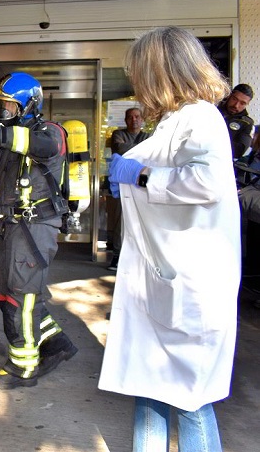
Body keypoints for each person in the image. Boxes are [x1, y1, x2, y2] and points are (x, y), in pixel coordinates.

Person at [98, 26, 240, 452]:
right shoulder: (176, 120)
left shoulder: (201, 117)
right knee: (149, 387)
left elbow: (207, 182)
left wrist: (138, 174)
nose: (137, 83)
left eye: (140, 73)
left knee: (190, 400)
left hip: (189, 287)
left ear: (160, 71)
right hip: (162, 280)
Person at [0, 72, 78, 390]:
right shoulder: (7, 139)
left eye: (7, 105)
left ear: (28, 105)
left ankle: (23, 367)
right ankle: (56, 343)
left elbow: (37, 144)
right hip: (15, 226)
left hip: (36, 226)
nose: (1, 111)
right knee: (10, 296)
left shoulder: (50, 132)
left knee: (20, 299)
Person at [106, 107, 150, 271]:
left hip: (141, 184)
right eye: (130, 117)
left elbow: (150, 155)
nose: (134, 120)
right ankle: (117, 256)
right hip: (121, 184)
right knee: (120, 221)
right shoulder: (118, 134)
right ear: (125, 120)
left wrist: (132, 151)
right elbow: (121, 150)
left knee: (141, 221)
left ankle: (138, 258)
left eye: (137, 117)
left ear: (142, 119)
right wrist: (140, 151)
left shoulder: (147, 136)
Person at [217, 83, 254, 159]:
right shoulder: (212, 110)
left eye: (242, 103)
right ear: (229, 96)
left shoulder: (246, 123)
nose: (236, 105)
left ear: (247, 104)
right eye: (234, 99)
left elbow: (238, 151)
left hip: (223, 161)